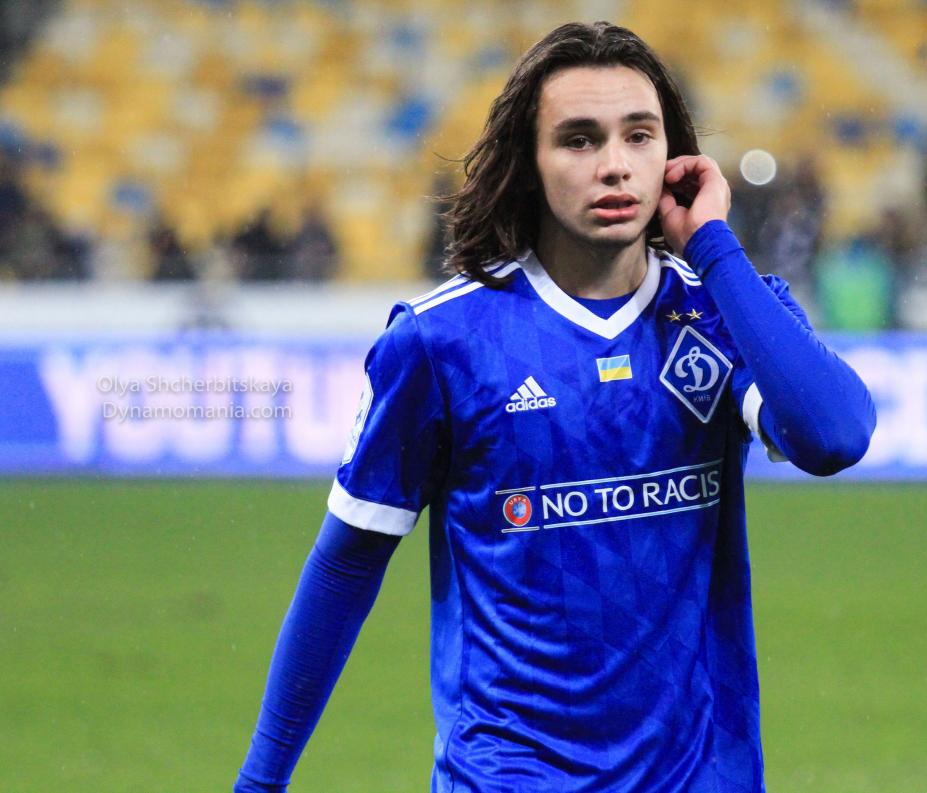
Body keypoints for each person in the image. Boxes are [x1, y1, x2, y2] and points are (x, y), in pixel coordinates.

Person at [234, 21, 875, 792]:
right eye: (578, 140)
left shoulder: (722, 310)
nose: (615, 164)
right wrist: (260, 782)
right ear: (528, 165)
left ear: (673, 156)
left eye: (639, 136)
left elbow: (836, 435)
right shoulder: (442, 342)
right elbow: (346, 564)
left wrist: (712, 244)